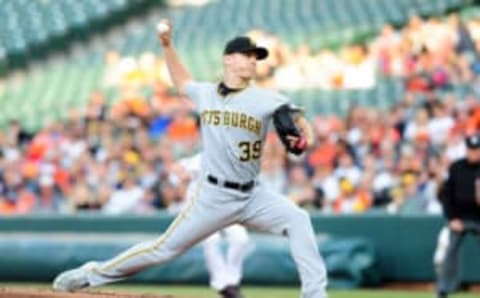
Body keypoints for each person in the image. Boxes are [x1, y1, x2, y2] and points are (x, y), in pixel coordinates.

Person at [53, 19, 328, 298]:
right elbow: (182, 80)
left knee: (298, 219)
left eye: (256, 57)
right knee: (162, 250)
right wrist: (167, 46)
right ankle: (91, 274)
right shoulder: (206, 93)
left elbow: (302, 124)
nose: (254, 61)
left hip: (253, 195)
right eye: (248, 55)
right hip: (213, 195)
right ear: (229, 59)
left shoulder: (267, 99)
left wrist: (305, 139)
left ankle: (315, 295)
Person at [170, 153, 250, 298]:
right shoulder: (203, 157)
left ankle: (232, 282)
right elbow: (176, 167)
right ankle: (222, 285)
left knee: (241, 238)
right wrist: (183, 175)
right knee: (211, 240)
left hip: (224, 206)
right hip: (200, 207)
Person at [436, 134, 480, 298]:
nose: (474, 153)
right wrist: (451, 218)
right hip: (459, 218)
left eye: (477, 150)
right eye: (471, 150)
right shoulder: (457, 167)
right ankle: (443, 289)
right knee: (450, 252)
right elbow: (446, 196)